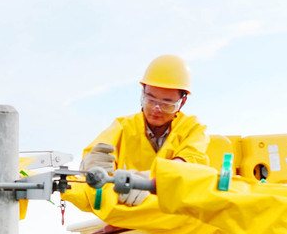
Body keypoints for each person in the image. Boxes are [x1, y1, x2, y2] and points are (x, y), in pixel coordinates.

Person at [81, 54, 209, 205]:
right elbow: (91, 157)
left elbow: (184, 166)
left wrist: (142, 182)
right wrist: (90, 166)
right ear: (142, 93)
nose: (156, 109)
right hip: (127, 213)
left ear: (182, 102)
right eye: (150, 99)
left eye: (166, 103)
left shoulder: (193, 129)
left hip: (174, 212)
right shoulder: (122, 127)